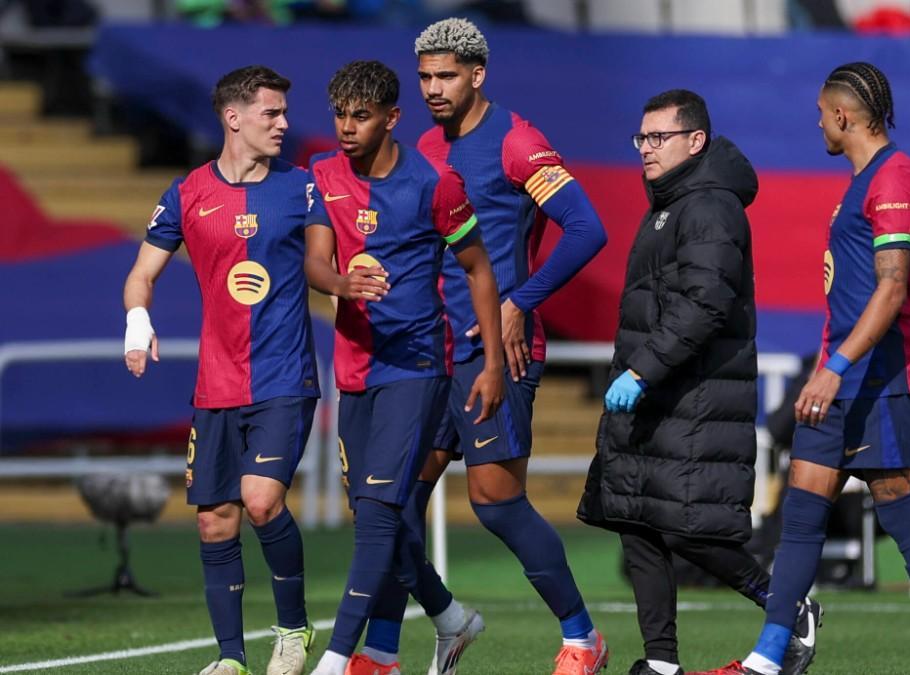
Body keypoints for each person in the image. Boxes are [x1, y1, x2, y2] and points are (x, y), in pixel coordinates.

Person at [346, 18, 611, 675]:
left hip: (497, 353)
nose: (435, 88)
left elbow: (586, 227)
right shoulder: (424, 153)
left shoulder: (518, 143)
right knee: (392, 505)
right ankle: (382, 652)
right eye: (426, 77)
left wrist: (521, 302)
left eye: (447, 76)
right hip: (427, 355)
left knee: (495, 503)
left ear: (477, 74)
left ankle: (583, 637)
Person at [701, 62, 910, 675]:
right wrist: (828, 366)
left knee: (905, 517)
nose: (817, 122)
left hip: (883, 380)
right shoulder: (861, 182)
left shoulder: (895, 176)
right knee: (802, 509)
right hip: (842, 376)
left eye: (821, 112)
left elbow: (891, 289)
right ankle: (767, 659)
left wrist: (834, 367)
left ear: (843, 116)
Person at [576, 89, 819, 675]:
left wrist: (642, 369)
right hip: (658, 396)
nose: (646, 150)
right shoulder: (670, 203)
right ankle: (661, 664)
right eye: (641, 138)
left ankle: (787, 606)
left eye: (659, 138)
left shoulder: (710, 204)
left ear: (695, 141)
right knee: (637, 524)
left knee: (690, 530)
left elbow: (706, 302)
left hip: (695, 396)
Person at [301, 59, 504, 675]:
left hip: (416, 364)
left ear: (392, 119)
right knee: (374, 513)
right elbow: (315, 264)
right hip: (354, 364)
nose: (346, 127)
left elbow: (479, 268)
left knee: (380, 512)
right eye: (339, 113)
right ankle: (448, 617)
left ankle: (337, 658)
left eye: (360, 116)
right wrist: (344, 283)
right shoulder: (323, 174)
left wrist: (493, 363)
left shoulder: (433, 184)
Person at [122, 65, 319, 675]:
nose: (285, 123)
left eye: (285, 112)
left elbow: (326, 268)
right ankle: (230, 659)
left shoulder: (305, 189)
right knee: (215, 521)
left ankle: (293, 631)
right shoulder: (186, 193)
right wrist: (137, 322)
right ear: (234, 118)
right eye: (272, 113)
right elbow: (142, 273)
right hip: (217, 383)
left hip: (285, 377)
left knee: (260, 502)